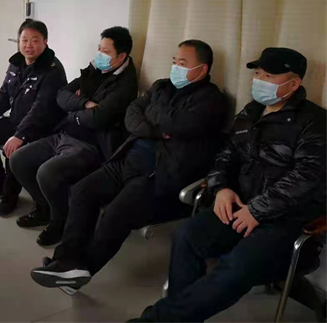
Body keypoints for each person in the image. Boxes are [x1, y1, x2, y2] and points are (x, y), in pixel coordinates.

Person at [133, 47, 326, 322]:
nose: (259, 80)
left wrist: (257, 210)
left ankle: (157, 319)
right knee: (187, 236)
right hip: (238, 207)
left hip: (285, 222)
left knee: (236, 266)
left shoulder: (315, 122)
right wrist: (221, 188)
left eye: (269, 76)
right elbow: (225, 154)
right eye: (257, 73)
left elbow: (308, 176)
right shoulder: (251, 112)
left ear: (294, 84)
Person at [31, 40, 228, 293]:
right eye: (174, 61)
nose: (176, 67)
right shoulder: (161, 86)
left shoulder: (211, 100)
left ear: (202, 69)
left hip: (158, 174)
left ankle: (83, 270)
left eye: (183, 63)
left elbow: (178, 124)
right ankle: (64, 262)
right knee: (82, 191)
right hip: (127, 159)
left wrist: (153, 115)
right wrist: (155, 127)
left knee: (115, 213)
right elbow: (132, 112)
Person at [11, 26, 138, 246]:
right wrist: (85, 103)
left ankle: (59, 221)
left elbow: (98, 119)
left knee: (46, 172)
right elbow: (62, 95)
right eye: (99, 48)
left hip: (90, 145)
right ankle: (45, 208)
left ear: (121, 56)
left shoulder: (125, 84)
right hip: (65, 133)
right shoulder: (95, 68)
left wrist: (74, 112)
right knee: (18, 160)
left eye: (106, 51)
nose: (99, 54)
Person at [0, 19, 67, 216]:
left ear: (45, 42)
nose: (28, 45)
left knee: (13, 148)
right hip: (17, 120)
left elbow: (41, 109)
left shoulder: (52, 70)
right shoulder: (16, 63)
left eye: (35, 40)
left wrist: (20, 135)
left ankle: (10, 196)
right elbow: (4, 95)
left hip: (40, 128)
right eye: (24, 40)